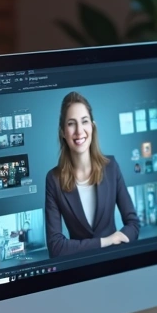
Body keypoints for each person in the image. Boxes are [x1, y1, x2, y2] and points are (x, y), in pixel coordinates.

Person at [44, 91, 140, 257]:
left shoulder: (111, 167)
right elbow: (56, 247)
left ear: (92, 127)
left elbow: (133, 224)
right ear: (62, 132)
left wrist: (119, 240)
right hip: (80, 272)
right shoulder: (53, 179)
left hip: (116, 263)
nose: (79, 131)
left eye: (84, 121)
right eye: (71, 124)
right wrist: (106, 241)